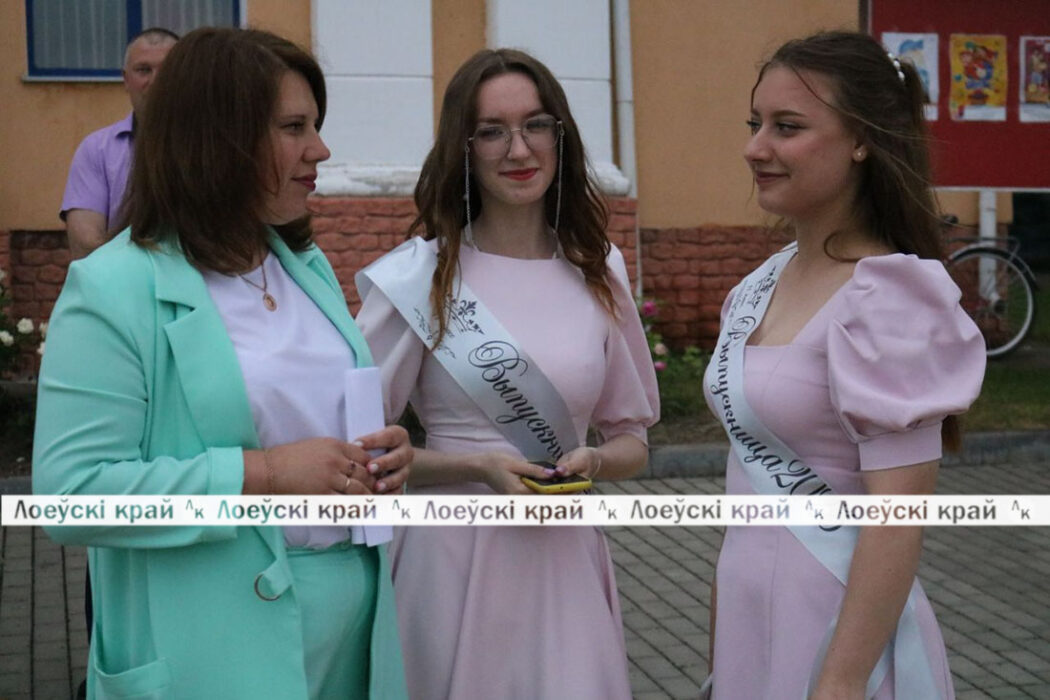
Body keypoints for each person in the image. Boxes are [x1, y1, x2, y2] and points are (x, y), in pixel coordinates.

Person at [34, 27, 409, 699]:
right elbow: (73, 497)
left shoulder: (305, 266)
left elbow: (314, 416)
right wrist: (265, 474)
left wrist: (381, 453)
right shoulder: (114, 287)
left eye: (315, 125)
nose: (320, 150)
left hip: (353, 637)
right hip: (210, 650)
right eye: (293, 128)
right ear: (218, 139)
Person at [355, 48, 660, 699]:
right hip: (450, 561)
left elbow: (632, 440)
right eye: (492, 131)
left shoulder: (599, 270)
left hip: (564, 561)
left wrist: (595, 461)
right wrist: (474, 466)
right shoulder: (420, 278)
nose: (518, 149)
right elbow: (354, 446)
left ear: (560, 135)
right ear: (463, 149)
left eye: (535, 125)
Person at [703, 31, 985, 699]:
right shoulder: (759, 285)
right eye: (754, 123)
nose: (755, 148)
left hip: (838, 636)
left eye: (787, 127)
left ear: (861, 140)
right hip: (750, 624)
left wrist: (841, 680)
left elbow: (897, 519)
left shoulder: (890, 296)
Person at [60, 27, 178, 259]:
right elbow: (85, 246)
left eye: (167, 70)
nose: (156, 81)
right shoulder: (96, 150)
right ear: (126, 80)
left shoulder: (213, 147)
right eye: (144, 70)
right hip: (122, 283)